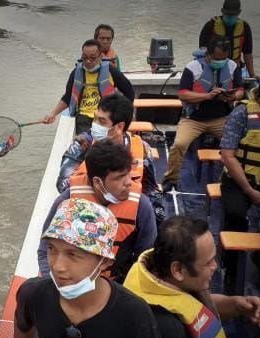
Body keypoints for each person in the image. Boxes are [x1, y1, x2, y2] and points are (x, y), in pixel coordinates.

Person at [14, 198, 172, 338]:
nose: (58, 266)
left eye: (73, 254)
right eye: (52, 249)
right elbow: (23, 325)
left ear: (104, 261)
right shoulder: (33, 295)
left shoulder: (134, 315)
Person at [124, 215, 260, 338]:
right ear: (177, 270)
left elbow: (195, 308)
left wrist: (237, 305)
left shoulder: (159, 272)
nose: (215, 266)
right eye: (208, 262)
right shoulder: (167, 331)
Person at [38, 139, 158, 283]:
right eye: (119, 177)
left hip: (117, 283)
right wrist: (53, 285)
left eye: (128, 174)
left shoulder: (142, 206)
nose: (128, 183)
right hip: (73, 281)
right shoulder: (67, 201)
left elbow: (145, 258)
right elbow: (44, 250)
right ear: (97, 182)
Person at [56, 93, 165, 225]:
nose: (94, 125)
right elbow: (62, 185)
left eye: (101, 121)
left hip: (127, 215)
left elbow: (150, 188)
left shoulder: (141, 149)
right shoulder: (82, 145)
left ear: (119, 127)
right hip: (86, 215)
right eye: (95, 118)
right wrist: (100, 184)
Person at [162, 36, 244, 192]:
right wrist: (207, 96)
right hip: (194, 119)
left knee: (238, 145)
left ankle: (232, 178)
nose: (220, 61)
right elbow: (183, 94)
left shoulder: (233, 66)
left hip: (222, 119)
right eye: (217, 58)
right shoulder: (193, 68)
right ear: (208, 54)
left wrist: (233, 96)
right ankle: (170, 178)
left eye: (224, 58)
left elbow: (240, 89)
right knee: (179, 144)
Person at [220, 77, 260, 292]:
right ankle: (231, 268)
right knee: (237, 215)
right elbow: (228, 156)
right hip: (239, 180)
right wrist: (249, 190)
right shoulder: (241, 114)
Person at [43, 39, 135, 135]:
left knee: (104, 145)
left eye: (92, 58)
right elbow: (67, 97)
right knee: (85, 143)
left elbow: (129, 93)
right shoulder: (76, 73)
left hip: (105, 116)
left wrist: (121, 114)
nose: (88, 61)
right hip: (84, 118)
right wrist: (52, 114)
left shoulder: (111, 71)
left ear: (100, 57)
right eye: (84, 57)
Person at [199, 0, 257, 78]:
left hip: (235, 68)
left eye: (232, 15)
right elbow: (202, 50)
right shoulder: (210, 26)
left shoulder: (244, 27)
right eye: (227, 14)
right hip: (214, 66)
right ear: (222, 11)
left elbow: (248, 54)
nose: (230, 17)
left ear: (239, 12)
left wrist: (252, 75)